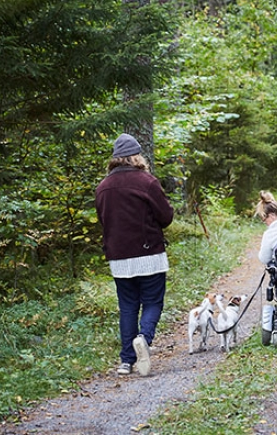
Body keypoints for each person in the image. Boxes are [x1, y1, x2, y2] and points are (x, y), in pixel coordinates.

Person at [95, 133, 174, 376]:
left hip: (118, 258)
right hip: (148, 254)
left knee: (128, 306)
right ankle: (144, 338)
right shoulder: (147, 182)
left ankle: (126, 361)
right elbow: (166, 217)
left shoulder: (103, 188)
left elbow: (103, 220)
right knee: (152, 301)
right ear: (137, 156)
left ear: (115, 159)